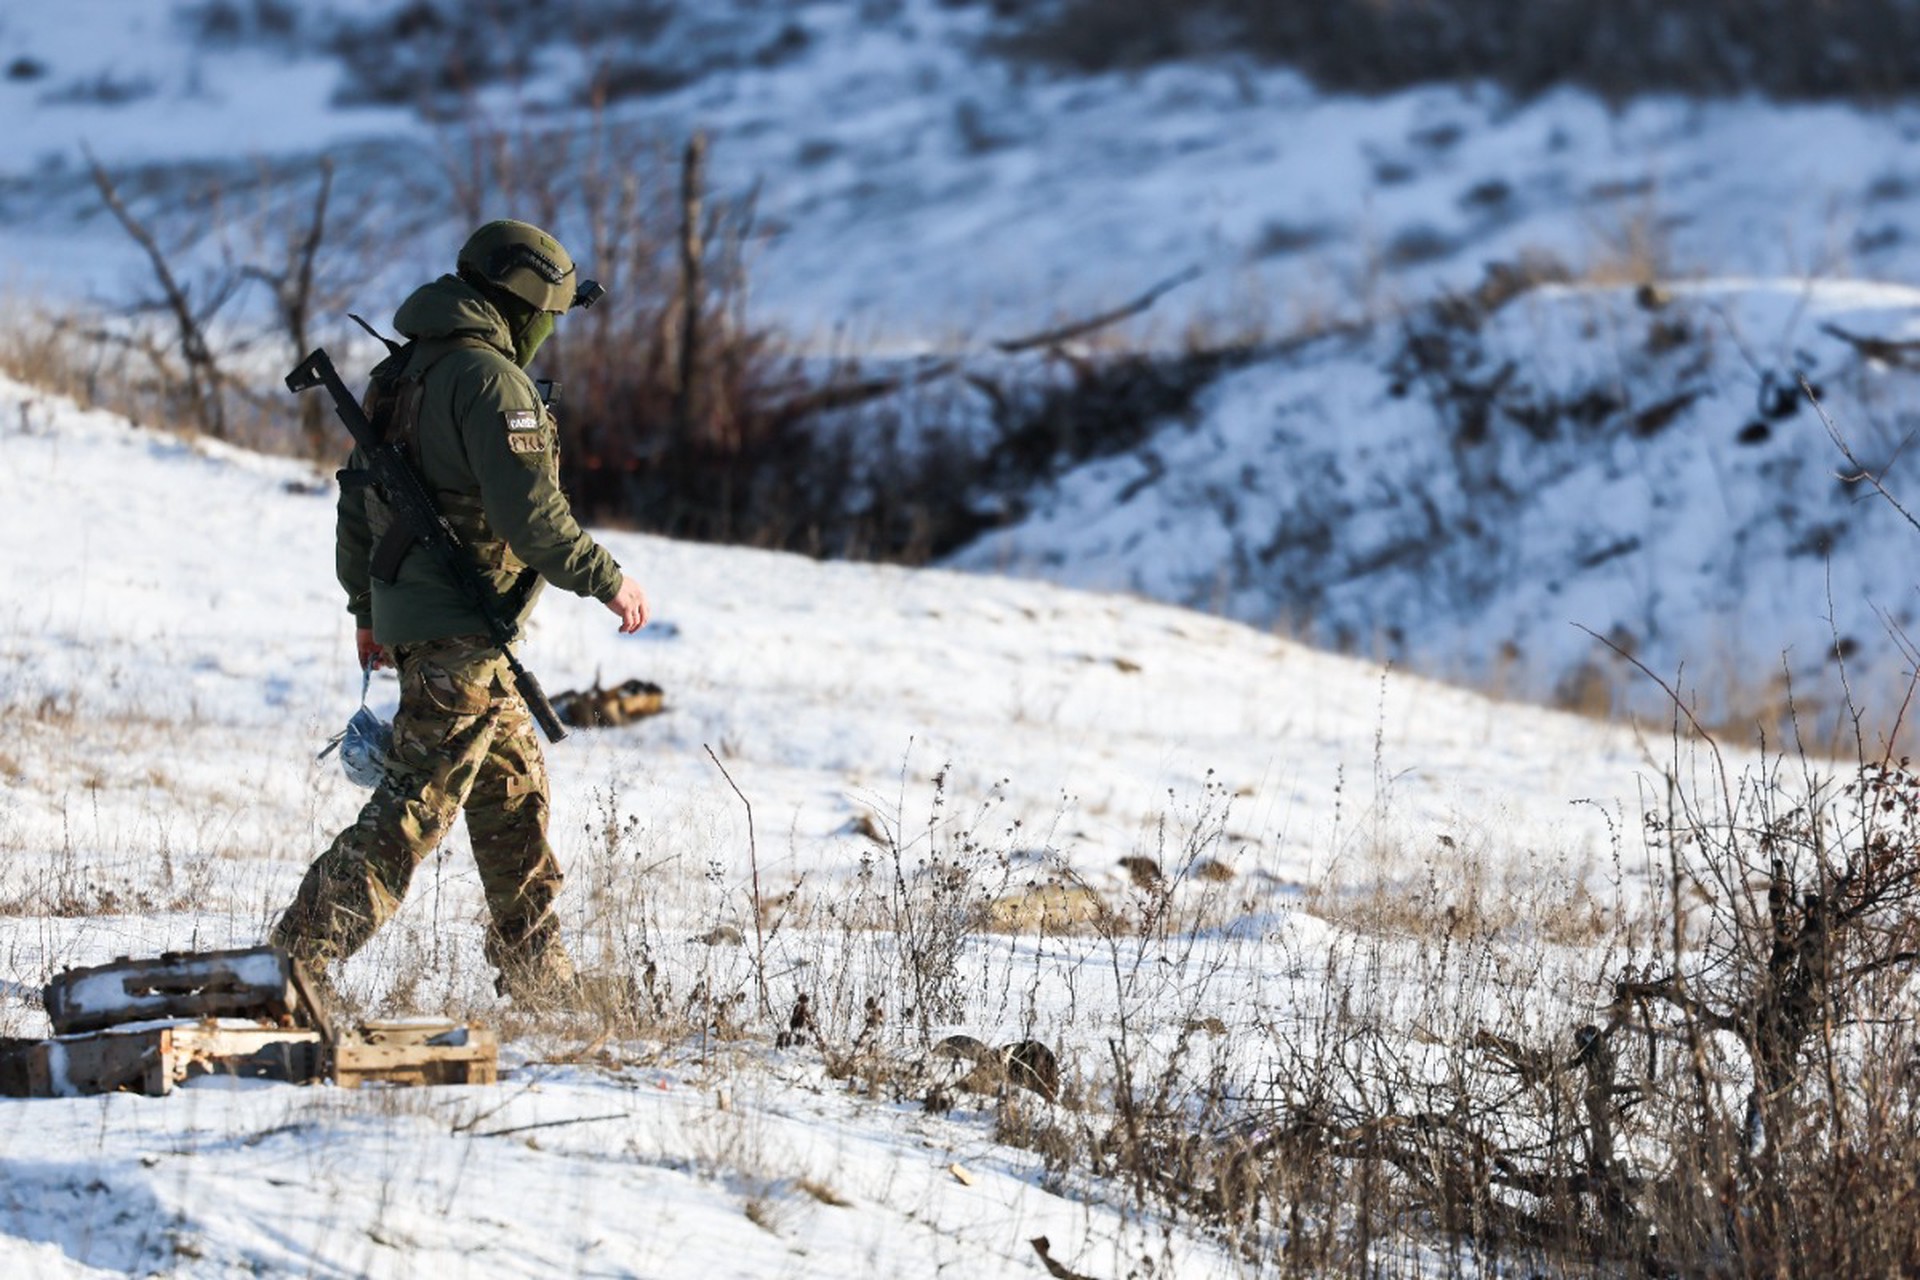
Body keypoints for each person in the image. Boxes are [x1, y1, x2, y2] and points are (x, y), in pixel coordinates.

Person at [272, 219, 649, 1006]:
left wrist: (367, 609)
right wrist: (606, 578)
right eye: (554, 313)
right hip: (456, 637)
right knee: (414, 806)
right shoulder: (489, 381)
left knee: (512, 793)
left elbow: (354, 505)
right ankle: (292, 962)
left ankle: (536, 970)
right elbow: (531, 518)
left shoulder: (402, 372)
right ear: (525, 305)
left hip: (445, 631)